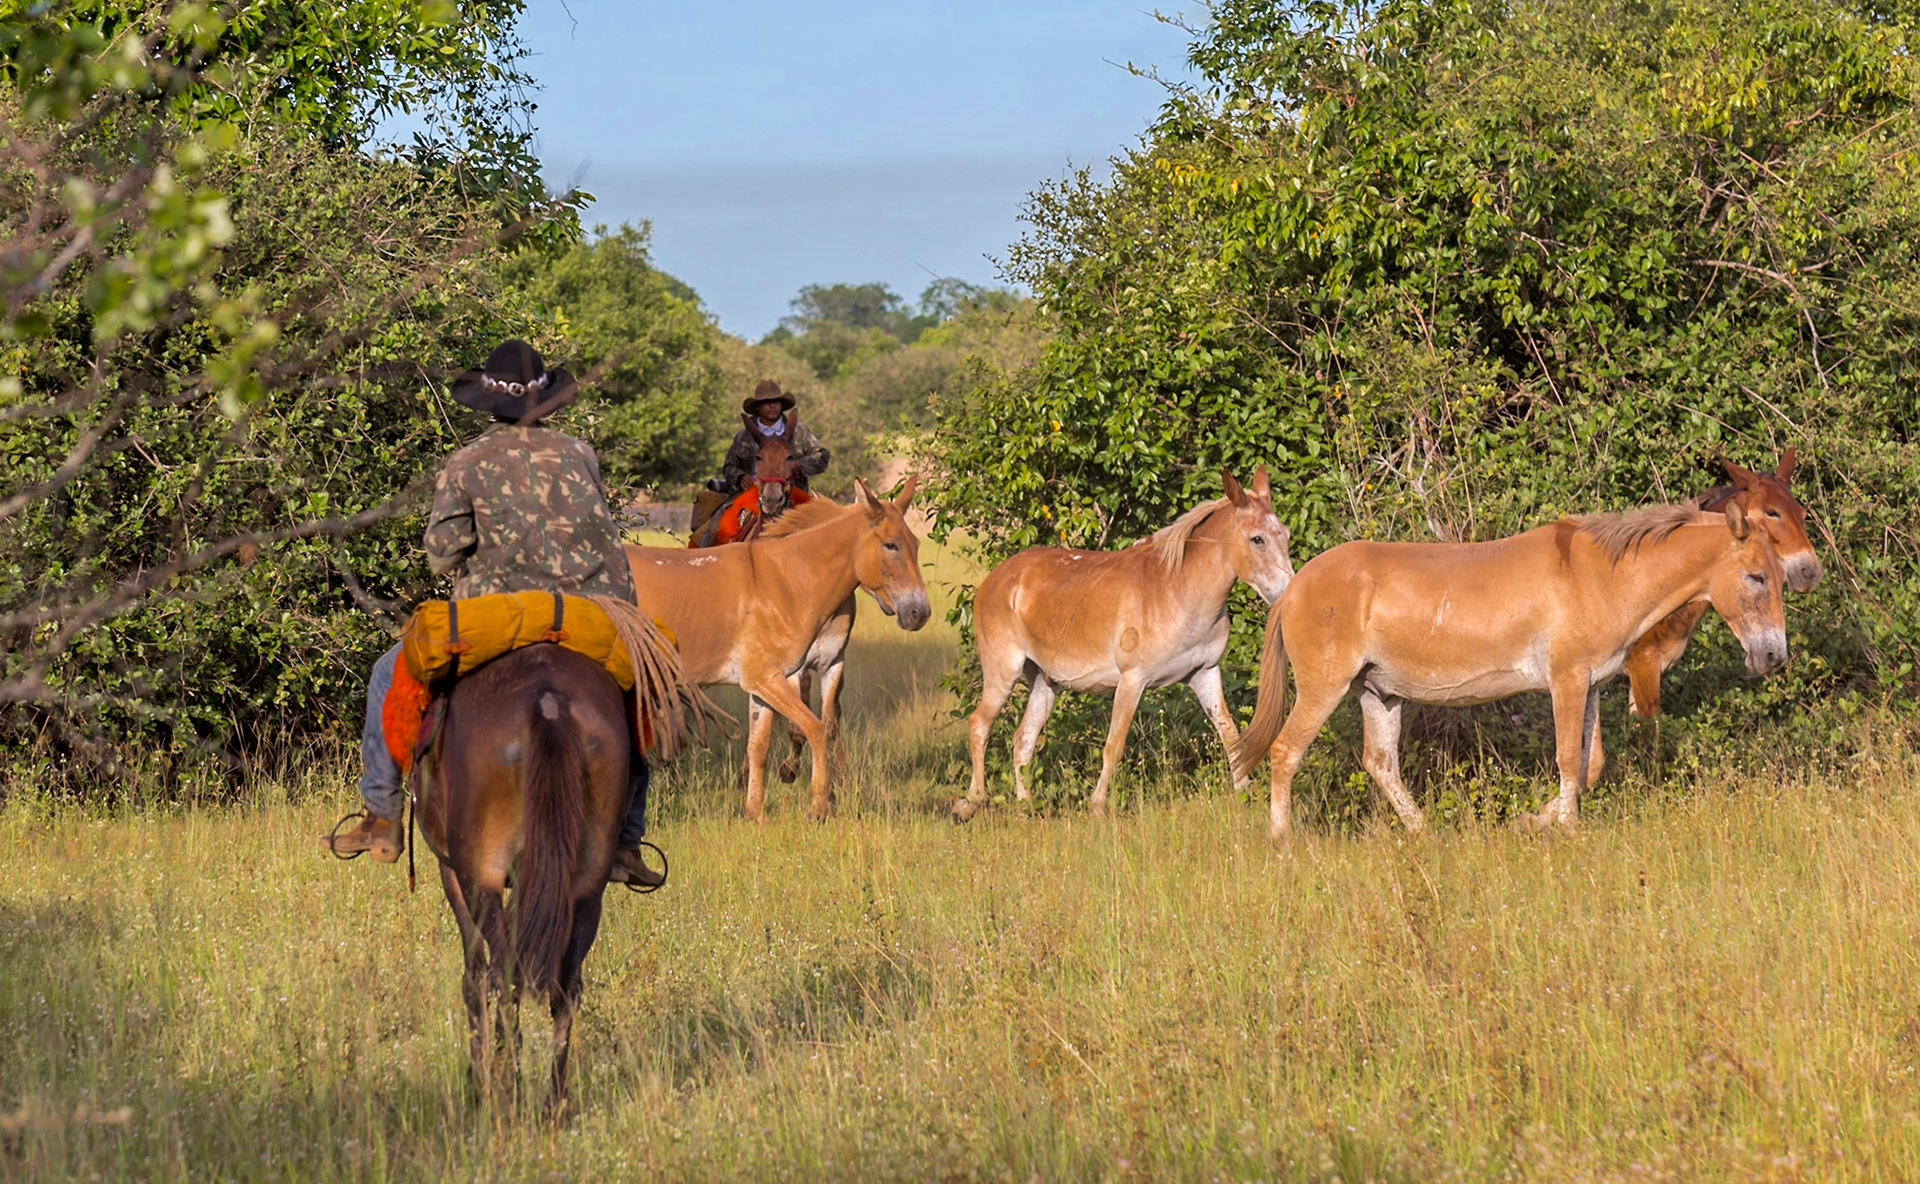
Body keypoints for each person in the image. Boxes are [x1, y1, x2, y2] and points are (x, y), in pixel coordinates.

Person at [322, 340, 663, 888]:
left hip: (495, 615)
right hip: (591, 613)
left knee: (388, 673)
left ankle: (382, 816)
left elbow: (441, 554)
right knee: (633, 701)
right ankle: (625, 839)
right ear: (547, 399)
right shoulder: (581, 454)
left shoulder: (468, 461)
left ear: (489, 402)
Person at [714, 379, 831, 495]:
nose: (772, 406)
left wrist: (797, 465)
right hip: (752, 493)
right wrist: (740, 477)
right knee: (724, 512)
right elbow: (729, 466)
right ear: (757, 407)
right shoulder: (744, 436)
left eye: (776, 402)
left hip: (793, 494)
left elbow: (822, 457)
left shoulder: (799, 431)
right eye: (767, 402)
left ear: (781, 405)